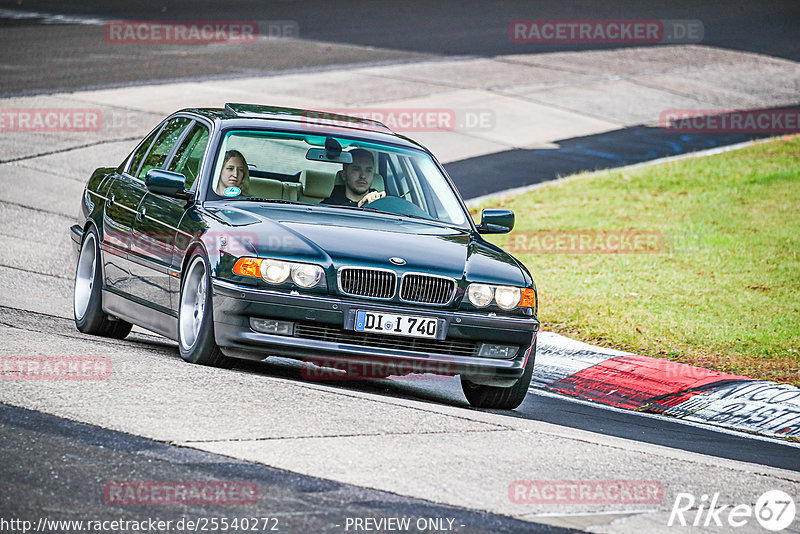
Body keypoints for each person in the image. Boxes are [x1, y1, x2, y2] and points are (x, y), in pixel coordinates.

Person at [321, 148, 385, 207]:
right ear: (344, 175)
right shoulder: (328, 206)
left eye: (368, 170)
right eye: (356, 169)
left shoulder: (381, 204)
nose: (363, 176)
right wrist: (359, 205)